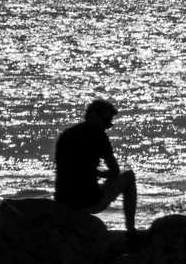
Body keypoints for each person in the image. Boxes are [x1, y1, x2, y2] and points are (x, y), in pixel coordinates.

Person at [54, 98, 138, 233]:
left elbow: (69, 168)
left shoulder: (66, 134)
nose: (107, 127)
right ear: (93, 116)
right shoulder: (98, 136)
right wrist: (101, 174)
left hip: (63, 200)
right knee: (128, 175)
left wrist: (93, 173)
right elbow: (115, 171)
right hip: (87, 202)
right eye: (106, 122)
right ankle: (131, 231)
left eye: (109, 124)